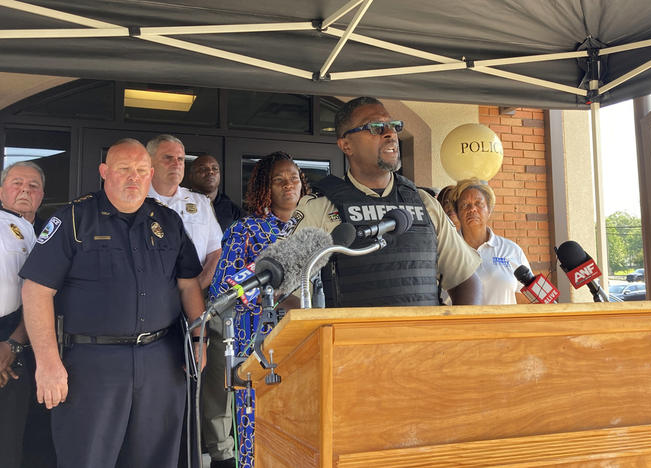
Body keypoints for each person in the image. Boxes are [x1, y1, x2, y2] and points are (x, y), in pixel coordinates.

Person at [19, 139, 207, 468]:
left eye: (139, 170)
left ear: (150, 174)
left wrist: (199, 340)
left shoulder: (169, 223)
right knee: (87, 458)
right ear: (104, 172)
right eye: (123, 169)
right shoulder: (74, 219)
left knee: (156, 458)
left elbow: (188, 285)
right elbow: (36, 290)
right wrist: (48, 364)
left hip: (161, 361)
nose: (132, 177)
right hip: (91, 366)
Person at [289, 96, 482, 307]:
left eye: (393, 126)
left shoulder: (424, 203)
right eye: (375, 127)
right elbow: (284, 289)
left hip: (423, 339)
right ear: (346, 145)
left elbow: (465, 280)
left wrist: (456, 336)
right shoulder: (320, 208)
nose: (390, 133)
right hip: (350, 339)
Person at [206, 152, 309, 468]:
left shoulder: (314, 226)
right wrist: (277, 296)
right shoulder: (247, 229)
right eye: (279, 179)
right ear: (265, 186)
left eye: (293, 177)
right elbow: (225, 288)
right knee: (258, 425)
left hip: (308, 340)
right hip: (259, 340)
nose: (288, 184)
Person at [0, 162, 41, 468]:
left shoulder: (41, 233)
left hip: (20, 338)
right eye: (17, 183)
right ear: (2, 191)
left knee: (12, 438)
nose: (25, 190)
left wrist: (12, 345)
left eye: (33, 186)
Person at [146, 135, 223, 290]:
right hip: (146, 298)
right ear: (149, 162)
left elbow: (216, 253)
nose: (176, 164)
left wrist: (193, 289)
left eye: (180, 159)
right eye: (168, 158)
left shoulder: (201, 202)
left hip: (193, 299)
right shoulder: (135, 200)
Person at [451, 177, 531, 305]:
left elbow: (525, 299)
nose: (472, 209)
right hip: (462, 325)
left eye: (479, 204)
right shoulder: (447, 249)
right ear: (457, 213)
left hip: (503, 325)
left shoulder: (511, 250)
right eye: (465, 205)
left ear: (489, 210)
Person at [189, 154, 244, 232]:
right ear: (191, 176)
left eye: (215, 168)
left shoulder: (234, 211)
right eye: (203, 168)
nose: (210, 172)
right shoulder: (179, 204)